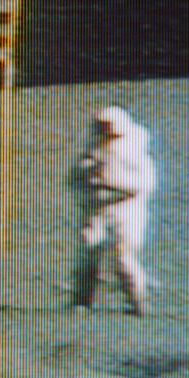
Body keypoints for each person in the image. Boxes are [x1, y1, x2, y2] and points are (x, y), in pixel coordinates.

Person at [68, 105, 157, 315]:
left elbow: (144, 184)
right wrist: (90, 179)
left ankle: (139, 304)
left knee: (124, 258)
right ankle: (81, 302)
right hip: (96, 208)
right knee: (88, 252)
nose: (104, 131)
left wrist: (112, 185)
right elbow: (74, 179)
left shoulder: (135, 149)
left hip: (126, 211)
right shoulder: (94, 148)